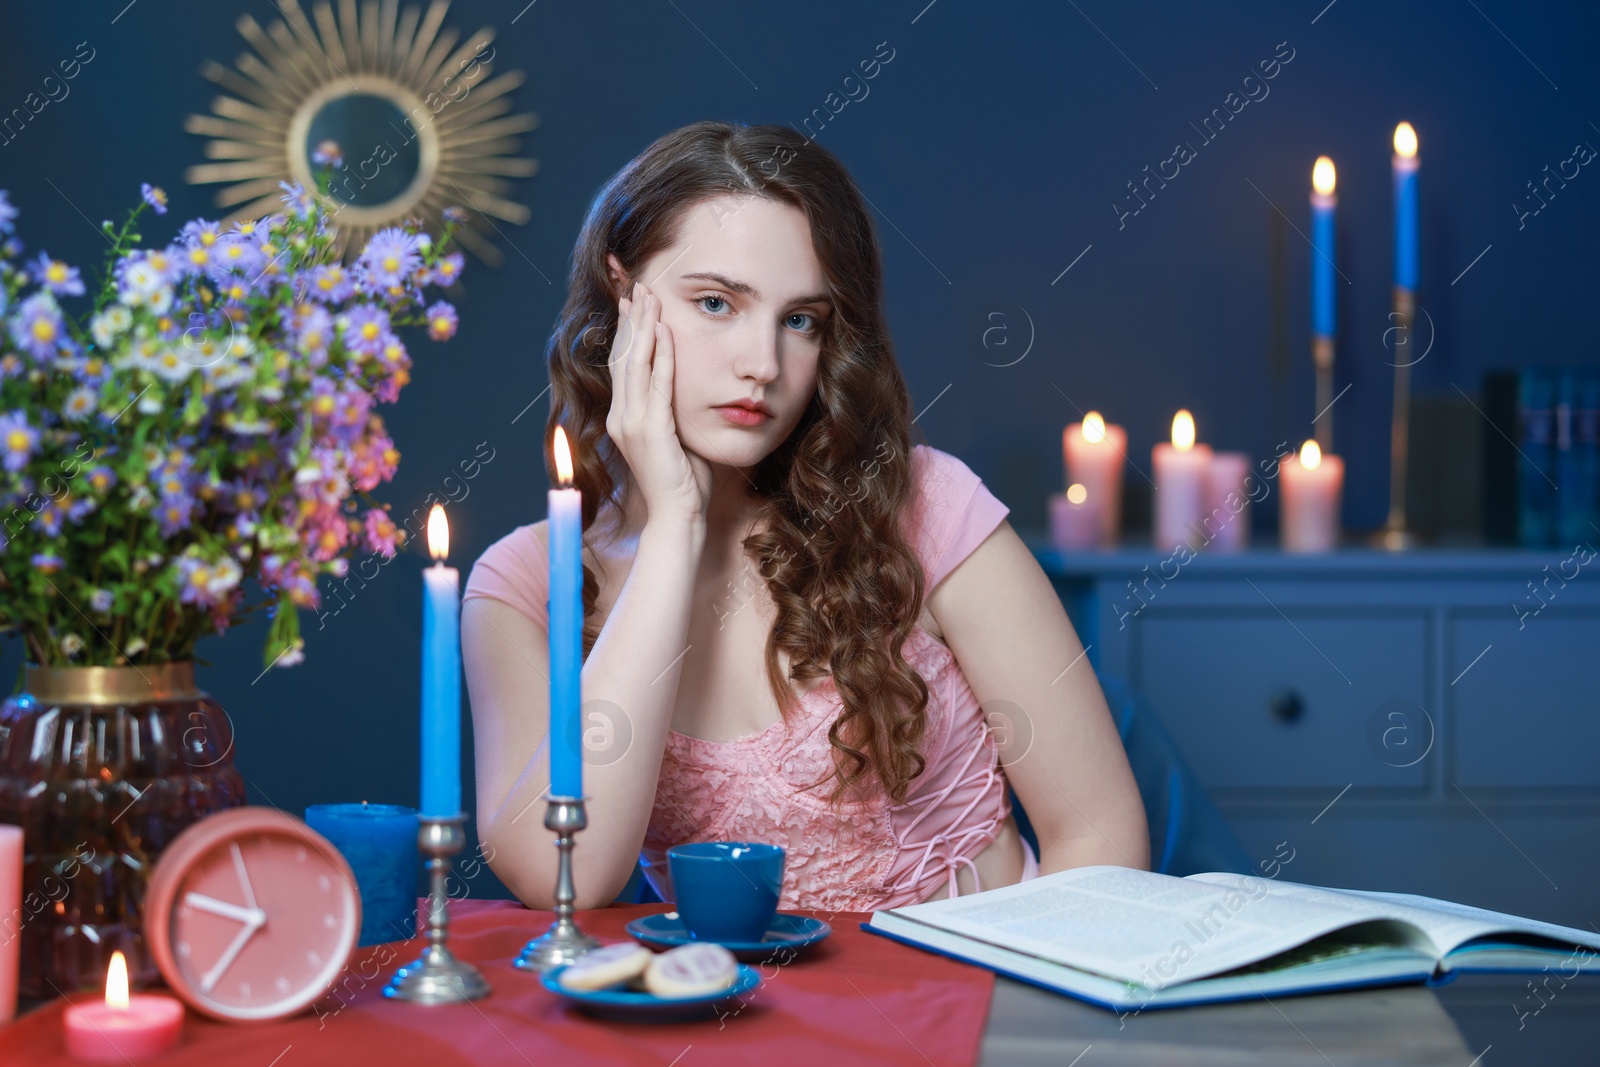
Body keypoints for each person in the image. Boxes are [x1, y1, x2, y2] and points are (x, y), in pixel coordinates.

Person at [461, 120, 1147, 914]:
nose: (763, 363)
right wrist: (674, 527)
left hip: (976, 1009)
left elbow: (1100, 836)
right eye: (716, 302)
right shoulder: (520, 587)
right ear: (623, 298)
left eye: (801, 320)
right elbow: (562, 878)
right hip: (727, 1027)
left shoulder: (925, 507)